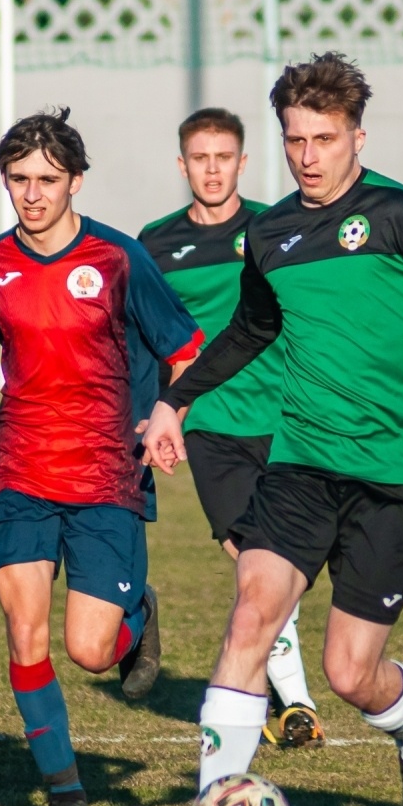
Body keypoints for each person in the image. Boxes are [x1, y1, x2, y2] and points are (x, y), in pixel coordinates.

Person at [140, 54, 403, 806]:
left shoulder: (401, 214)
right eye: (296, 139)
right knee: (249, 616)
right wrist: (177, 401)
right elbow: (249, 329)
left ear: (357, 137)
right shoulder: (270, 235)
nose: (308, 155)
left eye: (325, 138)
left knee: (350, 672)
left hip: (397, 469)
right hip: (301, 460)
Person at [0, 108, 203, 806]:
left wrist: (170, 415)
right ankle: (65, 793)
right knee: (25, 631)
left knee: (89, 649)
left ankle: (136, 614)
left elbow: (184, 349)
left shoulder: (118, 260)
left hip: (104, 472)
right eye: (19, 179)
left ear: (75, 181)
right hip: (18, 470)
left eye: (47, 179)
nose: (32, 193)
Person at [137, 107, 325, 751]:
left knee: (279, 564)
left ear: (243, 163)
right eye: (200, 157)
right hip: (211, 424)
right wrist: (159, 410)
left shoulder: (279, 230)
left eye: (224, 157)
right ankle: (296, 702)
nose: (212, 169)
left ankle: (281, 693)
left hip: (288, 419)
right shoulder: (155, 246)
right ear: (182, 164)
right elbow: (148, 338)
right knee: (253, 558)